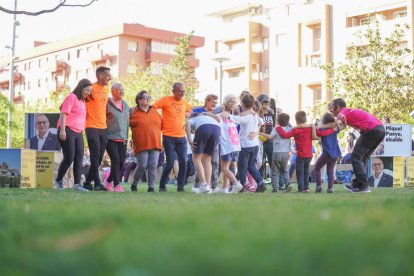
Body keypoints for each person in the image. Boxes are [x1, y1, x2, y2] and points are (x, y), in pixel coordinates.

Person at [328, 98, 385, 193]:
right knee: (363, 158)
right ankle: (357, 184)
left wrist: (323, 127)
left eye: (331, 108)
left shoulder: (341, 113)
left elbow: (338, 123)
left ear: (337, 107)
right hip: (380, 130)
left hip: (371, 130)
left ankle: (363, 186)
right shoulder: (348, 111)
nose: (330, 111)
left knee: (356, 157)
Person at [152, 82, 192, 192]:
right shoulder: (165, 100)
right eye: (180, 91)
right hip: (168, 136)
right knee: (170, 162)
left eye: (183, 91)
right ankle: (162, 186)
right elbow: (153, 108)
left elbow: (190, 110)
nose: (182, 93)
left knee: (184, 161)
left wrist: (187, 114)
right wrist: (159, 120)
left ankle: (180, 187)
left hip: (181, 137)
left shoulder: (184, 102)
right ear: (173, 91)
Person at [54, 79, 92, 191]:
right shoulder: (72, 97)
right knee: (69, 157)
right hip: (67, 129)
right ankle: (58, 181)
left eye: (90, 91)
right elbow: (63, 113)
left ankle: (77, 185)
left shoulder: (82, 101)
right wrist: (62, 130)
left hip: (78, 132)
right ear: (81, 87)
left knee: (79, 158)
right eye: (87, 90)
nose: (88, 93)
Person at [83, 66, 111, 191]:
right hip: (91, 126)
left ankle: (88, 182)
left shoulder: (106, 89)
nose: (109, 78)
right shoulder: (90, 88)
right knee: (94, 155)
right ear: (100, 76)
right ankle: (98, 183)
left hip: (103, 127)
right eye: (107, 75)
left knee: (99, 157)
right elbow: (78, 96)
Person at [232, 93, 266, 192]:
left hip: (245, 145)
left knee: (242, 166)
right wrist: (256, 133)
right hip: (255, 145)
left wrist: (226, 115)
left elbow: (236, 119)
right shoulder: (255, 116)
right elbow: (262, 122)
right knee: (251, 166)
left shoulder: (247, 117)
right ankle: (260, 182)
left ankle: (241, 186)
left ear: (242, 104)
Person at [129, 90, 162, 192]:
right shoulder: (132, 112)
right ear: (139, 100)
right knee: (142, 165)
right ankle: (134, 184)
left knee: (153, 165)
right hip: (141, 143)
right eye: (145, 97)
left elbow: (162, 125)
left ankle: (151, 188)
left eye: (149, 97)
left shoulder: (155, 112)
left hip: (155, 142)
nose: (148, 99)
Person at [276, 111, 316, 192]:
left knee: (300, 172)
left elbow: (285, 135)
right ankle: (306, 188)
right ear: (305, 119)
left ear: (296, 121)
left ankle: (301, 189)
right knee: (306, 171)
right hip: (309, 154)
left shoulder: (296, 130)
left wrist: (278, 127)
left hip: (301, 155)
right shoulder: (310, 128)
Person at [104, 83, 130, 192]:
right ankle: (117, 184)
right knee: (115, 159)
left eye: (123, 90)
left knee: (121, 162)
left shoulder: (126, 104)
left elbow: (128, 121)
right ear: (113, 91)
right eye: (120, 90)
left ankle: (108, 181)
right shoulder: (107, 104)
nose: (122, 92)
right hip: (110, 137)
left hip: (123, 138)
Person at [186, 113, 221, 193]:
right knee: (207, 159)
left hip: (204, 128)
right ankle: (207, 187)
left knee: (196, 157)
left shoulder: (193, 119)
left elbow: (188, 123)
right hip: (217, 129)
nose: (192, 132)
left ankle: (203, 184)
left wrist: (189, 139)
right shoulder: (205, 117)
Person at [192, 94, 220, 191]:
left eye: (216, 103)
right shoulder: (197, 110)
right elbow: (189, 120)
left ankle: (211, 185)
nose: (214, 105)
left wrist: (207, 114)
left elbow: (218, 119)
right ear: (207, 101)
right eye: (212, 102)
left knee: (213, 161)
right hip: (201, 136)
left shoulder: (217, 111)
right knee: (199, 159)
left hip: (214, 136)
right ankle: (197, 185)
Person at [260, 113, 293, 193]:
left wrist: (260, 133)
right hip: (286, 153)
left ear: (278, 121)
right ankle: (288, 183)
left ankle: (275, 188)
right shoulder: (289, 128)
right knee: (284, 170)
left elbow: (270, 137)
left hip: (277, 153)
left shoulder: (277, 128)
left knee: (275, 171)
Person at [217, 94, 243, 193]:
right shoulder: (227, 114)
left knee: (224, 167)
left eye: (234, 102)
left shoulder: (229, 115)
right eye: (230, 102)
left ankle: (236, 183)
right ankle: (225, 188)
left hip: (229, 145)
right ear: (225, 102)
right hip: (233, 145)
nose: (232, 104)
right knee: (226, 167)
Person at [313, 113, 342, 193]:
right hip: (335, 153)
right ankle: (330, 188)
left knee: (317, 167)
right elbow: (342, 126)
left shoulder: (322, 129)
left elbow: (316, 134)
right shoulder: (335, 129)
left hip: (327, 153)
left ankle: (319, 186)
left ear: (324, 121)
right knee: (330, 170)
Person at [257, 94, 274, 180]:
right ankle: (259, 181)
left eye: (267, 102)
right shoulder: (257, 112)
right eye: (264, 102)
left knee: (272, 162)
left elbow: (273, 112)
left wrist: (267, 108)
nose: (266, 104)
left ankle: (279, 183)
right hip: (260, 139)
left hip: (269, 140)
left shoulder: (270, 112)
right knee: (260, 162)